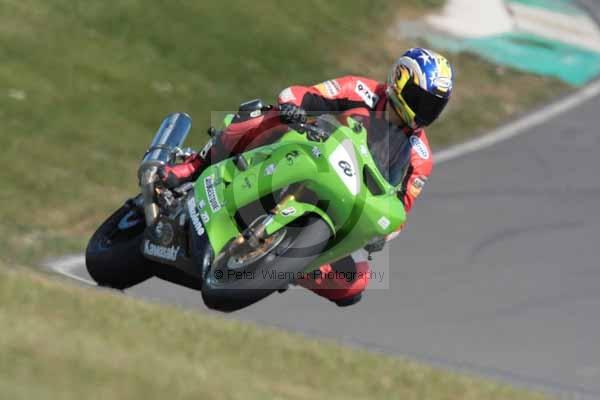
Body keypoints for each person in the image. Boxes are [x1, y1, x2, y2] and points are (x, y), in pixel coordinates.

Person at [161, 48, 454, 307]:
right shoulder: (361, 90)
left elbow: (400, 211)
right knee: (259, 116)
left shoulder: (421, 157)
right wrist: (293, 107)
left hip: (347, 205)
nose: (425, 111)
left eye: (434, 105)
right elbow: (301, 94)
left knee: (355, 285)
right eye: (421, 99)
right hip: (309, 156)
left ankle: (283, 265)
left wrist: (383, 234)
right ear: (399, 80)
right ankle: (193, 166)